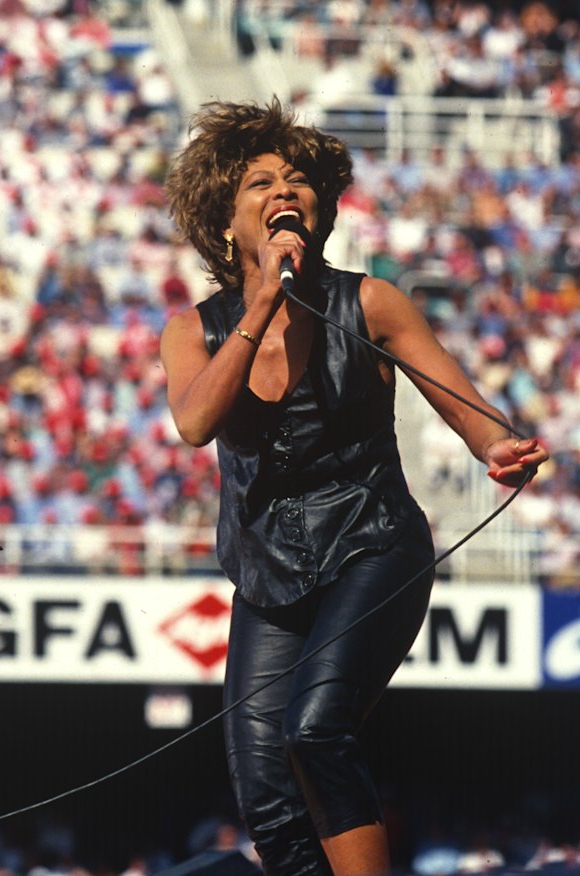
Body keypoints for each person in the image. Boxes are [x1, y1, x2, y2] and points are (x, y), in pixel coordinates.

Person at [160, 99, 548, 876]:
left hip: (375, 546)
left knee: (315, 730)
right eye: (260, 183)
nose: (284, 192)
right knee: (264, 788)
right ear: (226, 223)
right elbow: (197, 422)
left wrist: (500, 446)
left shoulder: (370, 302)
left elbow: (471, 412)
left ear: (321, 208)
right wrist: (263, 301)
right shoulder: (191, 331)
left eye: (298, 181)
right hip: (268, 576)